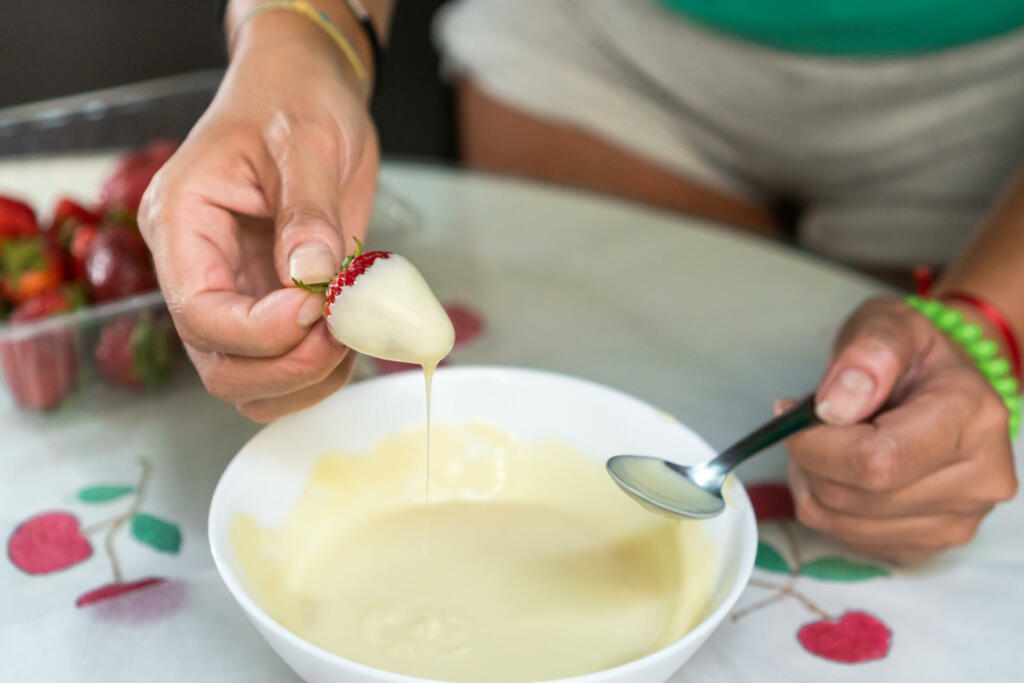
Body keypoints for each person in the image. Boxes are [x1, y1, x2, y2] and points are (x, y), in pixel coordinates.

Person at [139, 0, 1021, 564]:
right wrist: (302, 33)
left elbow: (962, 357)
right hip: (606, 46)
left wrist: (986, 322)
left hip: (988, 100)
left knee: (893, 469)